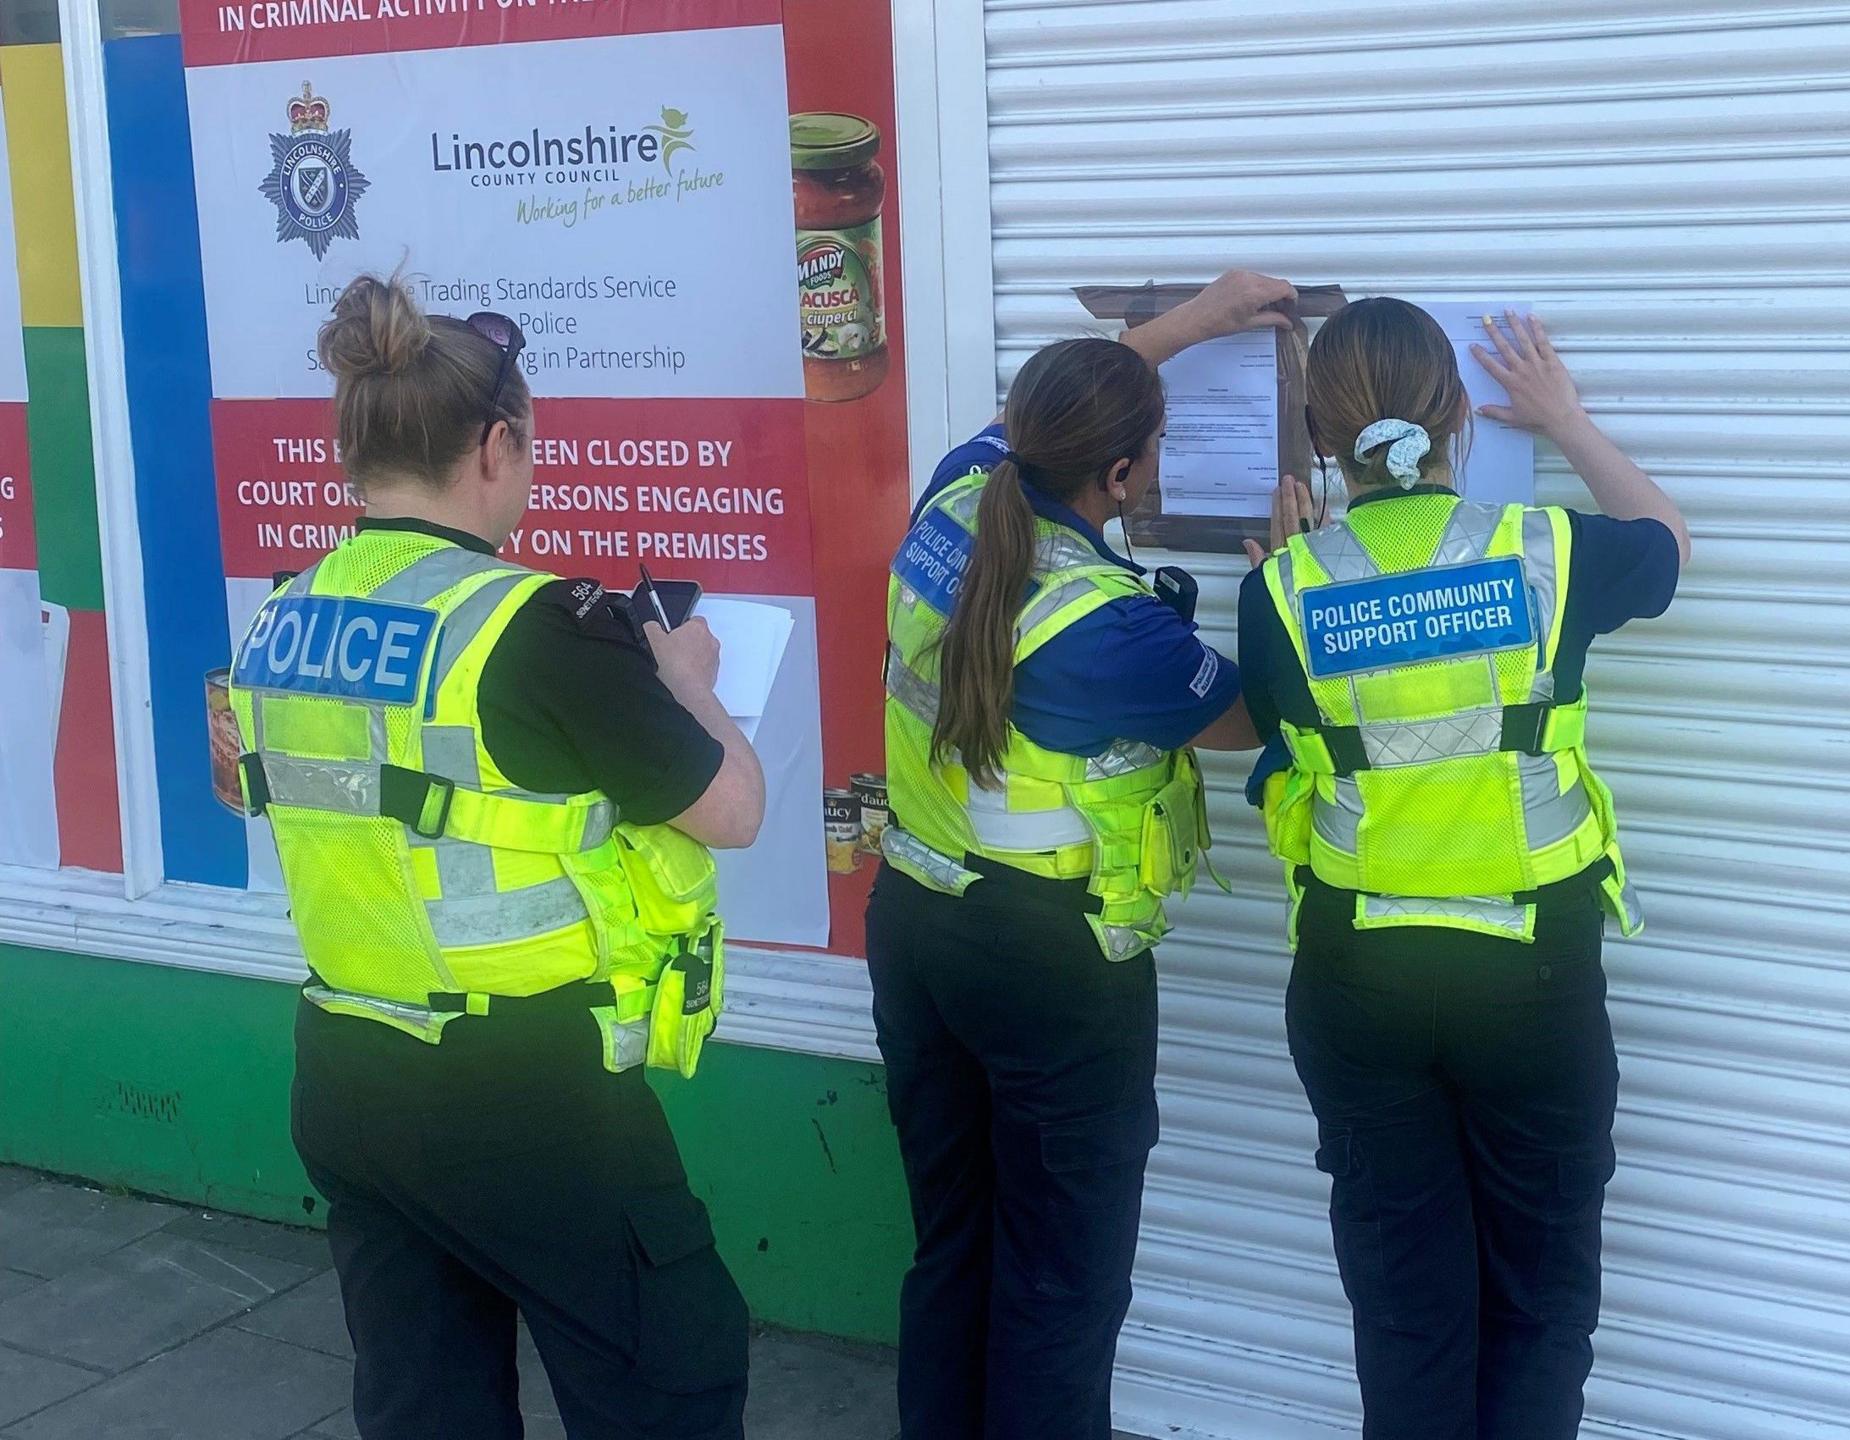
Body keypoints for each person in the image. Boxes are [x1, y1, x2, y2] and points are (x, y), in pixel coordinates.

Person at [228, 275, 767, 1439]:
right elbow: (730, 811)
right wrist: (688, 687)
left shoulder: (286, 613)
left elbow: (257, 786)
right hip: (526, 1091)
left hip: (347, 1068)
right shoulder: (535, 625)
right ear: (495, 444)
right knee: (669, 1379)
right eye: (526, 451)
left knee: (428, 1404)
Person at [1236, 298, 1688, 1439]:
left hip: (1357, 983)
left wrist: (1307, 565)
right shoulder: (1545, 551)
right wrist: (1566, 421)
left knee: (1406, 1315)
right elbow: (1668, 545)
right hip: (1527, 976)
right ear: (1455, 422)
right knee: (1539, 1308)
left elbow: (1287, 751)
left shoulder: (1282, 591)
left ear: (1319, 436)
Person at [867, 270, 1294, 1440]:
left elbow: (1042, 418)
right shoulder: (1111, 626)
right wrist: (1282, 581)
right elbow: (1253, 715)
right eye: (1145, 452)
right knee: (1063, 1276)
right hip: (1046, 967)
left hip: (915, 918)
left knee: (954, 1242)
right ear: (1119, 475)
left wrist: (1196, 321)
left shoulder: (958, 492)